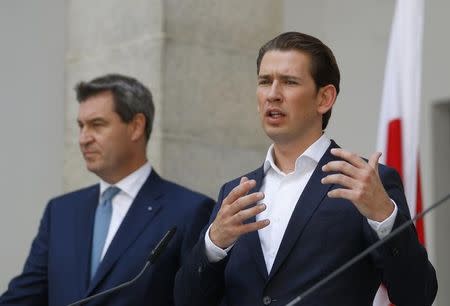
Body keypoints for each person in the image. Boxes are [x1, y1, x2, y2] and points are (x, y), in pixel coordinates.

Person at [174, 32, 437, 306]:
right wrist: (213, 244)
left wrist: (385, 217)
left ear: (324, 98)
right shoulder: (235, 193)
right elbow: (186, 300)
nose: (272, 95)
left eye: (289, 82)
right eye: (265, 81)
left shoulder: (363, 183)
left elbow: (417, 295)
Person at [0, 74, 214, 306]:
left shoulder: (189, 210)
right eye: (81, 126)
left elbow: (196, 297)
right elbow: (24, 297)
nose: (83, 139)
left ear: (136, 127)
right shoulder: (60, 211)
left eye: (97, 125)